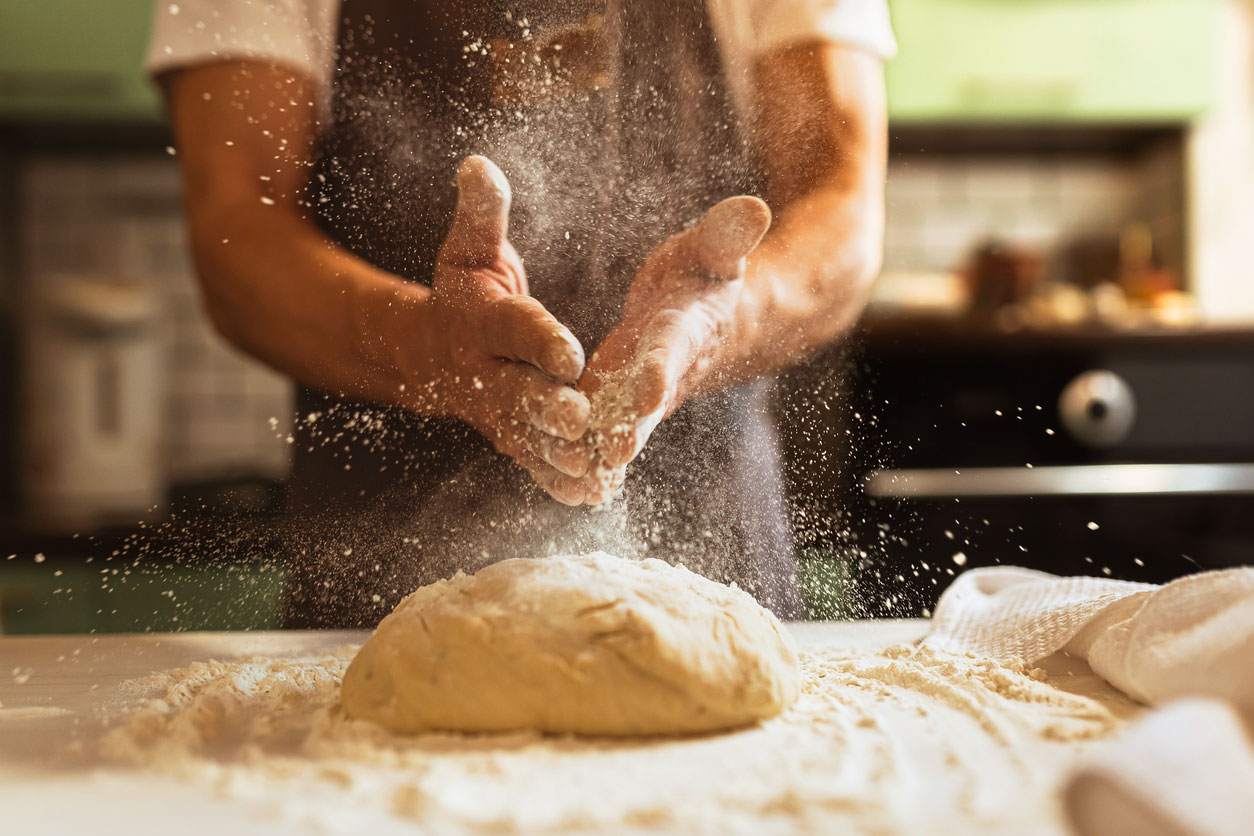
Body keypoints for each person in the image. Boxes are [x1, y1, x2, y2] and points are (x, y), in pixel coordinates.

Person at [147, 0, 894, 627]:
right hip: (377, 586)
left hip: (714, 563)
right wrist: (426, 349)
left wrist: (717, 321)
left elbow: (842, 209)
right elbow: (237, 236)